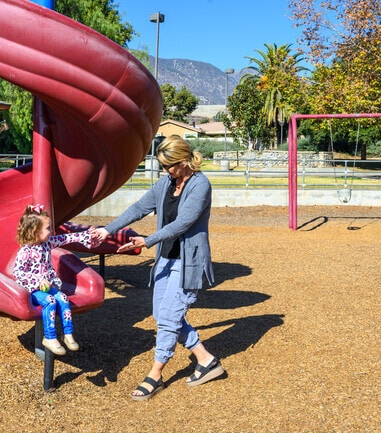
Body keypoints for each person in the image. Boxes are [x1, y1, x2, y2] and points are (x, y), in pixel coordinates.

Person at [92, 135, 224, 401]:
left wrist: (147, 241)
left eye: (170, 166)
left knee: (167, 318)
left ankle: (155, 374)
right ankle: (206, 360)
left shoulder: (201, 185)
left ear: (185, 161)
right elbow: (140, 207)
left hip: (188, 262)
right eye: (163, 166)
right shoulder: (167, 183)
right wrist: (107, 230)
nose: (166, 171)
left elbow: (183, 223)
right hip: (166, 258)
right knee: (162, 315)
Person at [13, 204, 94, 356]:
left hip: (48, 286)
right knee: (50, 301)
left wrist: (86, 235)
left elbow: (65, 238)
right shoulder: (25, 252)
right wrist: (37, 281)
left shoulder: (47, 244)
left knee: (63, 297)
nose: (52, 231)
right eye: (48, 228)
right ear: (35, 231)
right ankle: (49, 337)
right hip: (33, 290)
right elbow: (18, 273)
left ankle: (67, 334)